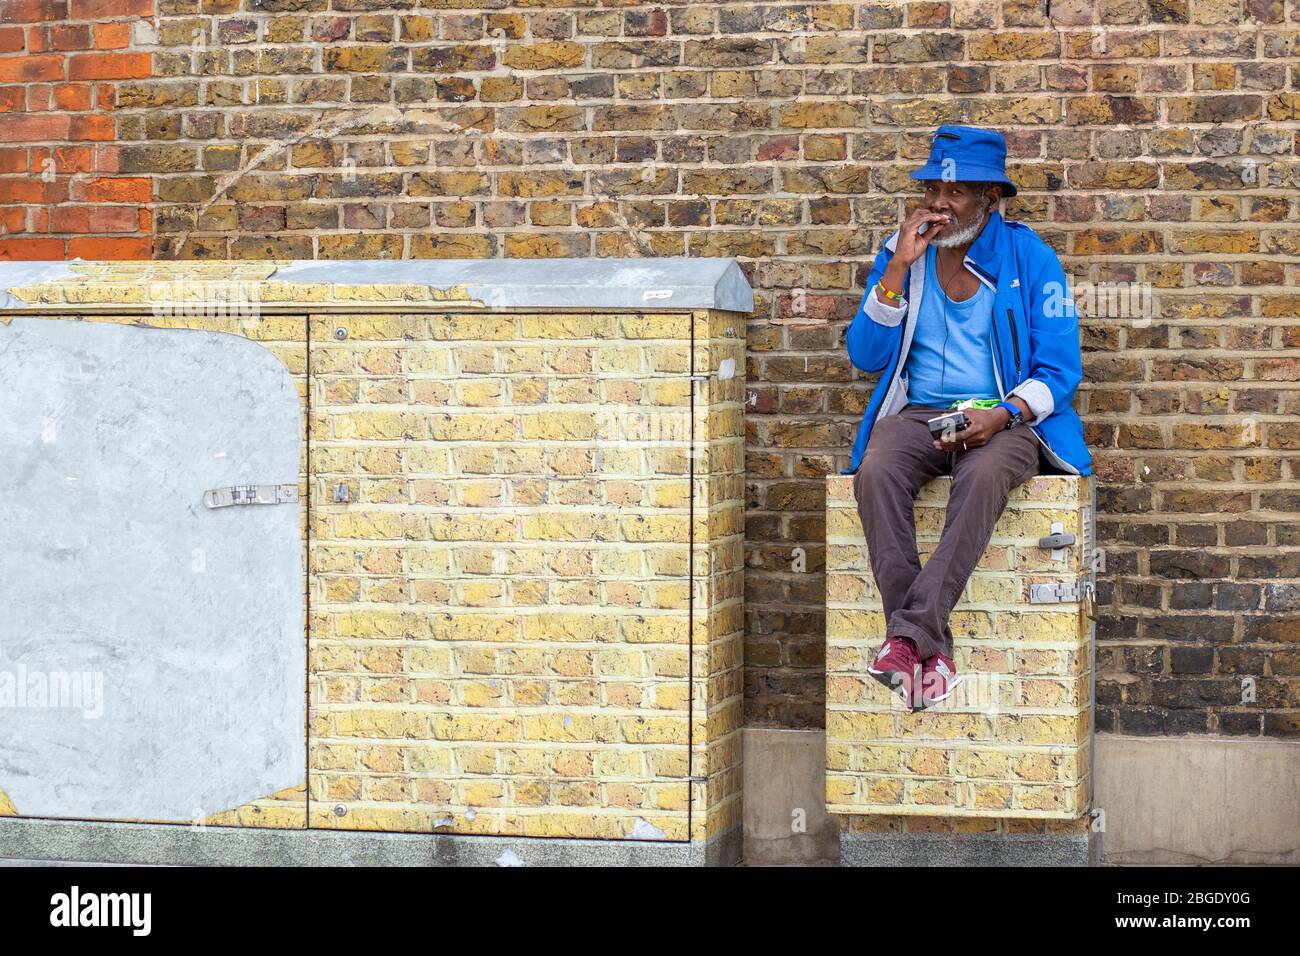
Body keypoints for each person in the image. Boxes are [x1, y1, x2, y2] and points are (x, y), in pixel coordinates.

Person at [843, 125, 1092, 711]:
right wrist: (898, 268)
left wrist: (1004, 415)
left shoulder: (1029, 257)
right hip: (923, 414)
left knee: (982, 476)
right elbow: (865, 356)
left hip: (1003, 421)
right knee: (876, 469)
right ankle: (926, 650)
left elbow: (1060, 369)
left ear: (990, 199)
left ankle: (905, 641)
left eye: (955, 192)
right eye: (933, 188)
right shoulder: (902, 250)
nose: (937, 203)